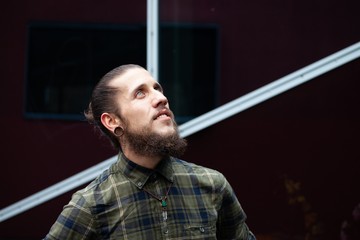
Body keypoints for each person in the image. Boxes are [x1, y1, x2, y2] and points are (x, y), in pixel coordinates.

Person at [44, 64, 256, 239]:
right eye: (140, 93)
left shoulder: (212, 185)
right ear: (112, 121)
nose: (161, 98)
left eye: (158, 89)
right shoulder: (92, 204)